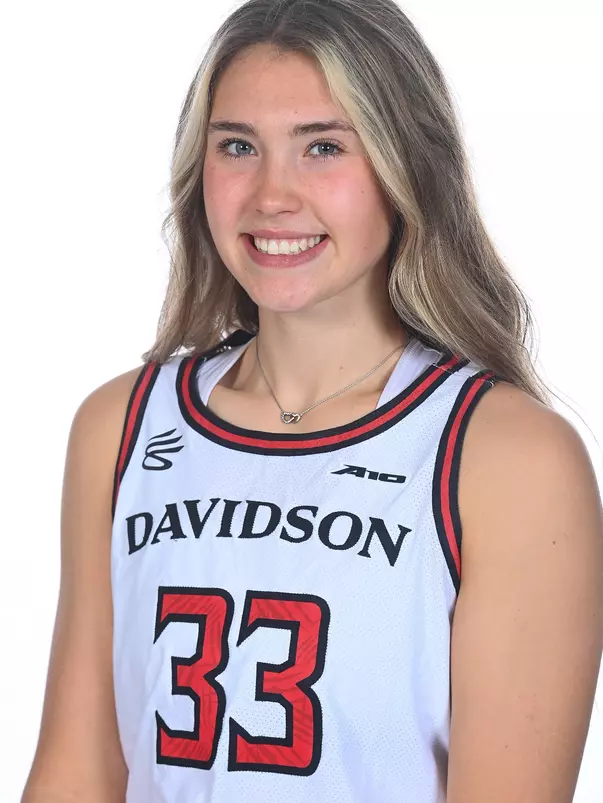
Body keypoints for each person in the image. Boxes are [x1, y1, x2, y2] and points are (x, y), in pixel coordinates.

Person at [22, 1, 603, 801]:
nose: (271, 195)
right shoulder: (120, 427)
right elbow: (76, 776)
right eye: (237, 147)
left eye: (322, 146)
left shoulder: (507, 458)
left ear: (404, 167)